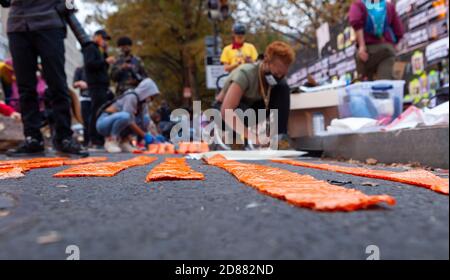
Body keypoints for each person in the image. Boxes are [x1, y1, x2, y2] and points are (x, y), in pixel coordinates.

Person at [5, 0, 88, 157]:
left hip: (49, 24)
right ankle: (32, 138)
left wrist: (84, 39)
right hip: (18, 25)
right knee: (25, 87)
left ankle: (64, 137)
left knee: (57, 83)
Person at [216, 41, 295, 149]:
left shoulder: (276, 81)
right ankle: (234, 138)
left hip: (250, 111)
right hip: (224, 113)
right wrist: (253, 138)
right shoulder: (246, 73)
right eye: (276, 74)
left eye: (282, 74)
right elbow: (226, 110)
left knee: (283, 87)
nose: (279, 76)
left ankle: (280, 138)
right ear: (266, 62)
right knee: (239, 112)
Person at [96, 78, 160, 153]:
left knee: (144, 120)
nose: (152, 99)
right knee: (125, 116)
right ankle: (111, 140)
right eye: (152, 96)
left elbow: (146, 121)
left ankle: (124, 142)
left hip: (120, 122)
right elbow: (129, 120)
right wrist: (144, 135)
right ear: (146, 91)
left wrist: (155, 136)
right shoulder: (131, 97)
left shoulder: (142, 103)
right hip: (104, 123)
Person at [349, 0, 404, 81]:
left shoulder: (358, 5)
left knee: (366, 87)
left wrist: (361, 46)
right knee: (386, 84)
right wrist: (393, 46)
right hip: (386, 51)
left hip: (366, 53)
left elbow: (356, 22)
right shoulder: (388, 6)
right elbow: (399, 32)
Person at [82, 29, 116, 149]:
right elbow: (90, 65)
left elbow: (102, 67)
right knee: (96, 110)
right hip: (95, 85)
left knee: (101, 110)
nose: (105, 41)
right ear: (96, 36)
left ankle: (98, 138)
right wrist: (105, 60)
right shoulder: (90, 48)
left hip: (101, 85)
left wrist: (105, 55)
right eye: (103, 38)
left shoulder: (98, 50)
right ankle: (95, 139)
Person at [73, 66, 91, 147]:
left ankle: (95, 140)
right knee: (85, 120)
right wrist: (79, 83)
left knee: (93, 119)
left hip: (96, 98)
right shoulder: (80, 69)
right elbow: (74, 84)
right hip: (84, 98)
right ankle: (86, 141)